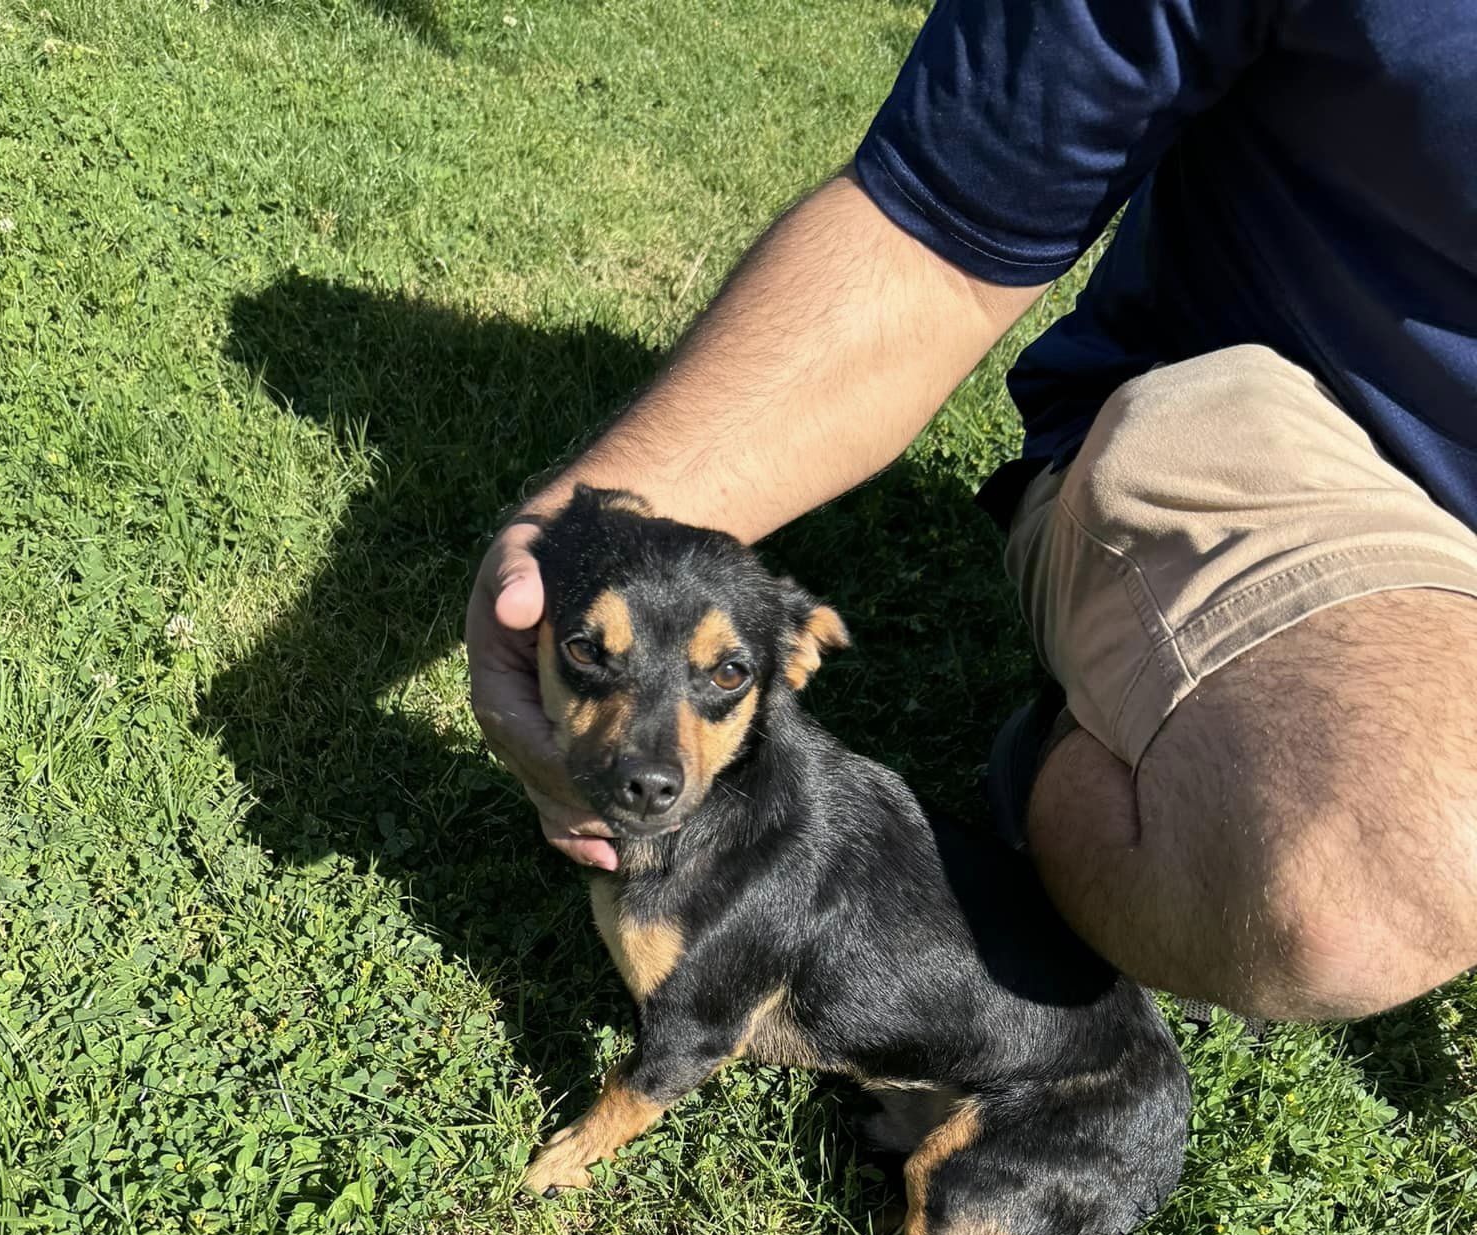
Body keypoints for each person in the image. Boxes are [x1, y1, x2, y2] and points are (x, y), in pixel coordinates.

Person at [465, 0, 1477, 1024]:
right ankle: (1116, 753)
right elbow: (930, 245)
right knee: (1371, 871)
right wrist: (574, 535)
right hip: (1291, 437)